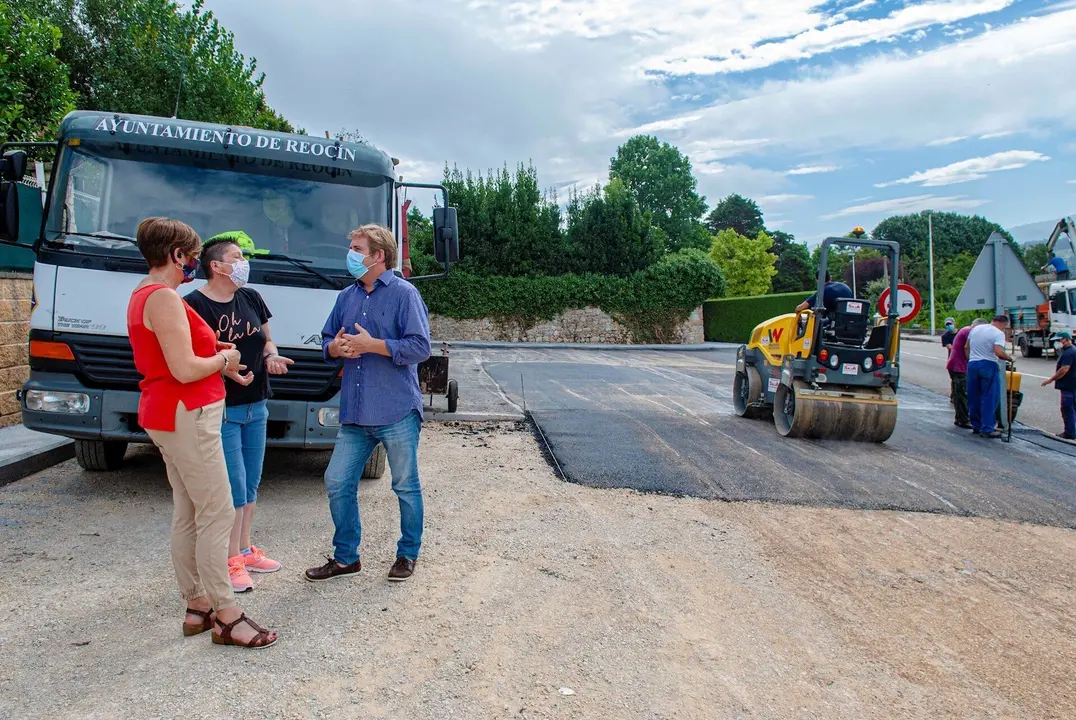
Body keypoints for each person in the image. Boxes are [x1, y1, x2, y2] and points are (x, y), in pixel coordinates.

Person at [126, 217, 277, 649]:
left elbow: (178, 355)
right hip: (187, 413)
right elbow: (184, 369)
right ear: (176, 255)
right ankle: (227, 615)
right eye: (190, 255)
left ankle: (198, 606)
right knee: (218, 513)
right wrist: (223, 364)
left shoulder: (145, 294)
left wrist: (219, 356)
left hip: (170, 413)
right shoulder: (165, 298)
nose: (193, 262)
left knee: (189, 512)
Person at [305, 224, 432, 583]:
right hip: (356, 412)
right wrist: (336, 348)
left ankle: (407, 555)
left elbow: (420, 348)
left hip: (395, 410)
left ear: (378, 256)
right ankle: (346, 558)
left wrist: (373, 345)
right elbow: (327, 340)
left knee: (405, 486)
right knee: (336, 481)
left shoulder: (405, 294)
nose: (351, 255)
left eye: (358, 248)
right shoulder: (347, 296)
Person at [185, 232, 293, 592]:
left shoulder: (251, 297)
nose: (243, 261)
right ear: (216, 265)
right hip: (222, 409)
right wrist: (224, 368)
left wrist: (271, 356)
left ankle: (245, 549)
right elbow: (190, 360)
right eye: (236, 256)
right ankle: (229, 561)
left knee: (250, 483)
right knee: (231, 488)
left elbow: (266, 339)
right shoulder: (195, 306)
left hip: (256, 404)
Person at [966, 314, 1013, 439]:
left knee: (974, 396)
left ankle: (976, 425)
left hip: (972, 364)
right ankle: (987, 428)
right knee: (990, 397)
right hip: (988, 364)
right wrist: (1008, 358)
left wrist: (970, 360)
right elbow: (998, 352)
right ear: (1004, 324)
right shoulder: (998, 333)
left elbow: (967, 347)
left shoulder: (976, 329)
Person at [947, 318, 986, 429]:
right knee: (962, 394)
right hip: (959, 367)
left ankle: (960, 418)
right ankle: (963, 419)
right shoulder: (969, 332)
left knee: (958, 394)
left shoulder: (965, 330)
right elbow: (968, 348)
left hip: (955, 365)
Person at [1040, 330, 1076, 440]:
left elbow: (1064, 369)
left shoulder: (1069, 353)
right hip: (1072, 384)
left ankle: (1069, 433)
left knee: (1067, 408)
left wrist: (1051, 379)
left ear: (1065, 339)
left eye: (1058, 340)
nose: (1057, 342)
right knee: (1072, 408)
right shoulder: (1071, 350)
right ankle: (1071, 431)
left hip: (1069, 385)